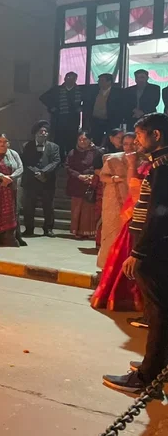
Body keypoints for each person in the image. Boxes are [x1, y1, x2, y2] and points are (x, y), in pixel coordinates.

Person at [103, 112, 168, 394]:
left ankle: (148, 376)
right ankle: (158, 365)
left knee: (158, 312)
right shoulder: (159, 163)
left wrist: (139, 253)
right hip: (156, 246)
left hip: (155, 249)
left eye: (141, 135)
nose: (137, 141)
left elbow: (158, 214)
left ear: (157, 135)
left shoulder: (162, 166)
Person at [91, 141, 148, 311]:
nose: (132, 146)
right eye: (128, 143)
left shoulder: (147, 163)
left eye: (137, 140)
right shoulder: (115, 159)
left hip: (138, 212)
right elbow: (105, 176)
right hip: (125, 207)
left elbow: (136, 189)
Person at [96, 133, 137, 269]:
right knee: (111, 233)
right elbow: (103, 177)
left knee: (129, 236)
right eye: (125, 144)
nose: (129, 147)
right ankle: (107, 266)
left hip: (134, 201)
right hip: (113, 200)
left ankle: (124, 267)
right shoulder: (114, 159)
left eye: (132, 144)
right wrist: (116, 179)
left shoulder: (144, 160)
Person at [20, 121, 61, 237]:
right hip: (30, 182)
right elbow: (25, 162)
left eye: (45, 132)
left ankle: (48, 229)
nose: (43, 134)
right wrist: (36, 172)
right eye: (40, 132)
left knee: (48, 206)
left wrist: (43, 172)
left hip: (47, 181)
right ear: (35, 133)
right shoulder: (26, 146)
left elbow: (56, 161)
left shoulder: (54, 147)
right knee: (28, 207)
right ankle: (29, 229)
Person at [66, 130, 100, 240]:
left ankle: (87, 231)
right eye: (80, 139)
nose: (82, 142)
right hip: (76, 183)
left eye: (85, 139)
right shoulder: (72, 152)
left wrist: (90, 175)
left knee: (88, 209)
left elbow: (97, 165)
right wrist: (79, 176)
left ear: (90, 140)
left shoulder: (96, 152)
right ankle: (76, 231)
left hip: (89, 183)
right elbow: (68, 167)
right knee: (76, 209)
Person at [40, 72, 83, 159]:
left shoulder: (80, 90)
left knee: (72, 140)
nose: (70, 80)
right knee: (59, 140)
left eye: (72, 78)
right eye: (68, 77)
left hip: (73, 119)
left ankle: (71, 159)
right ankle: (59, 159)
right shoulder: (57, 89)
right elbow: (43, 97)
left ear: (75, 80)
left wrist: (81, 107)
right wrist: (52, 107)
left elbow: (88, 101)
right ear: (64, 79)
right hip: (59, 119)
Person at [84, 73, 121, 145]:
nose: (99, 82)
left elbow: (120, 107)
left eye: (102, 80)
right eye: (99, 80)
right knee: (96, 139)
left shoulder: (118, 92)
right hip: (96, 120)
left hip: (110, 121)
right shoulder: (94, 91)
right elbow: (88, 104)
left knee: (110, 140)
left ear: (109, 82)